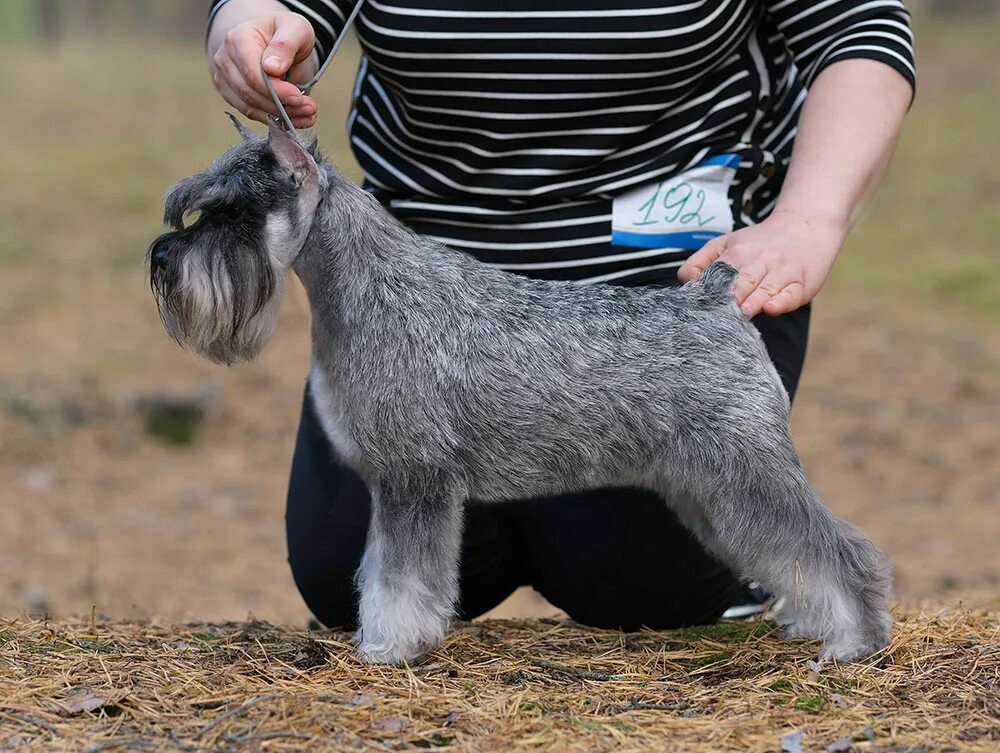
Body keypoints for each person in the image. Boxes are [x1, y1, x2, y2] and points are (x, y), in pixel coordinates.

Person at [205, 0, 914, 631]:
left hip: (672, 303)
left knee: (652, 579)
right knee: (343, 560)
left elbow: (861, 24)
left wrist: (807, 220)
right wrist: (247, 29)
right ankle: (414, 613)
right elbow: (276, 8)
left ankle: (849, 599)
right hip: (415, 291)